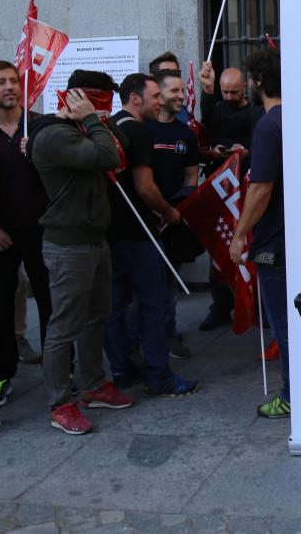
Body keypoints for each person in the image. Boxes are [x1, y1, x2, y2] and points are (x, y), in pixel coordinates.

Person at [30, 70, 135, 434]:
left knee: (96, 316)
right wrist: (92, 119)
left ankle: (92, 386)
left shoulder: (82, 130)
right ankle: (60, 403)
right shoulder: (54, 136)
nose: (104, 109)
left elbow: (121, 152)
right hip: (68, 245)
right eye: (101, 100)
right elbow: (106, 157)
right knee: (64, 326)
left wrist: (96, 121)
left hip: (94, 239)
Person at [105, 73, 198, 397]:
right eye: (155, 96)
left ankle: (121, 369)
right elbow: (145, 187)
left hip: (112, 233)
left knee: (116, 305)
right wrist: (169, 212)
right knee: (153, 304)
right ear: (135, 98)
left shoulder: (108, 127)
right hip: (139, 234)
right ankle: (158, 375)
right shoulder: (137, 131)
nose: (160, 102)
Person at [0, 61, 53, 406]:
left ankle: (61, 371)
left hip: (43, 231)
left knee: (53, 304)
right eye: (0, 82)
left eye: (13, 80)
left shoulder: (40, 126)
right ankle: (0, 377)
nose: (9, 86)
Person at [227, 49, 290, 418]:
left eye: (250, 79)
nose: (249, 85)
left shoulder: (269, 125)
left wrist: (239, 235)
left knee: (283, 325)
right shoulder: (296, 117)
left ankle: (292, 395)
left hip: (274, 244)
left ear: (260, 81)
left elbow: (261, 188)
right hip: (299, 235)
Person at [197, 62, 264, 331]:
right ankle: (221, 304)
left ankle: (257, 303)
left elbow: (260, 144)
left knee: (252, 246)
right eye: (224, 92)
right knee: (219, 246)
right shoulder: (216, 109)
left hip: (247, 185)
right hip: (221, 184)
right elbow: (206, 126)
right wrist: (215, 151)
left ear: (244, 88)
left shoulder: (255, 113)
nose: (229, 98)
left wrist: (245, 153)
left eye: (234, 92)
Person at [147, 69, 200, 359]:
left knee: (169, 286)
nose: (181, 96)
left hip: (173, 221)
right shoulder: (144, 129)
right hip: (146, 222)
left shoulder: (185, 135)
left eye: (182, 91)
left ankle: (168, 336)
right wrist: (155, 210)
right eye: (174, 92)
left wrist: (175, 211)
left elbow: (191, 179)